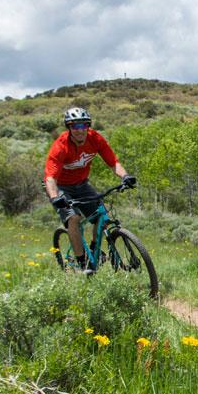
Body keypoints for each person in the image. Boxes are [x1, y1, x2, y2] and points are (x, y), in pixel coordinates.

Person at [43, 107, 134, 273]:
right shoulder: (60, 147)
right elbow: (50, 178)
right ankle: (82, 260)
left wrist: (125, 176)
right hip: (60, 187)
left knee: (102, 217)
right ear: (69, 128)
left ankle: (94, 250)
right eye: (75, 126)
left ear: (88, 126)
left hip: (82, 184)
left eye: (83, 125)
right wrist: (55, 197)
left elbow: (113, 162)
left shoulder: (95, 139)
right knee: (74, 218)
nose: (80, 130)